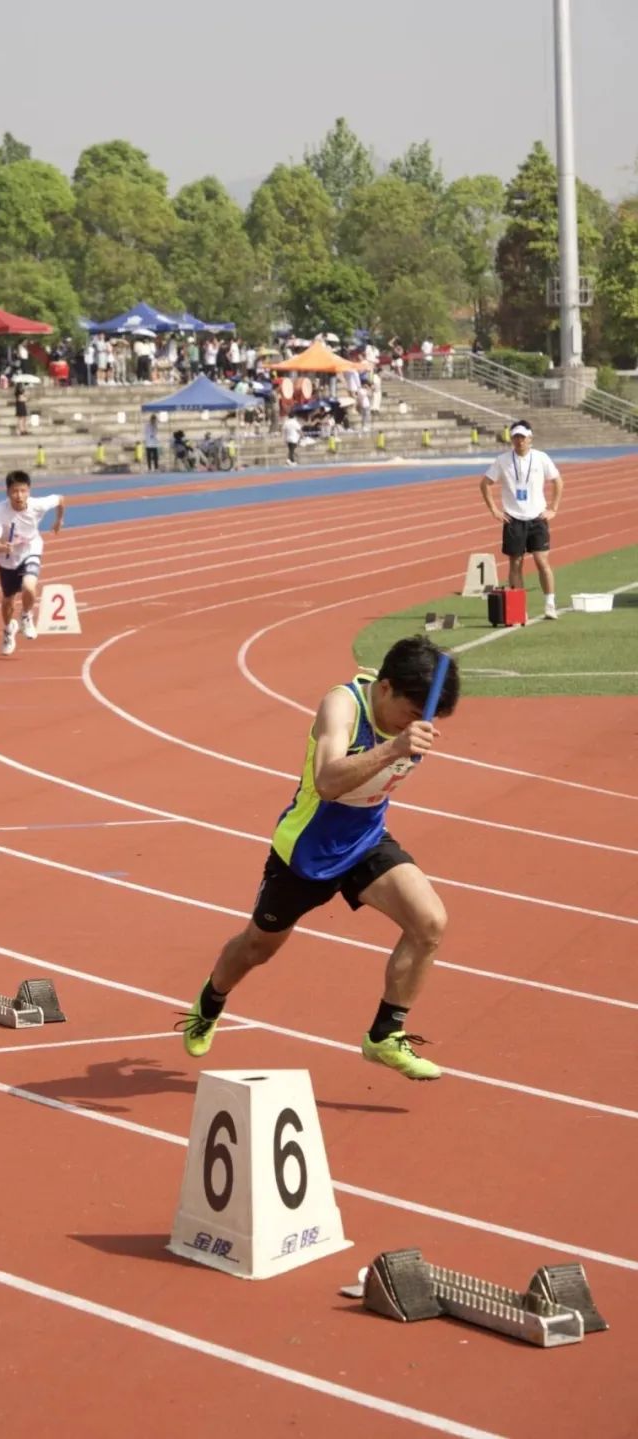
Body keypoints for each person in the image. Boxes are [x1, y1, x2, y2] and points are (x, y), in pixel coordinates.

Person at [177, 636, 461, 1082]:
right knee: (256, 948)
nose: (417, 724)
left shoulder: (410, 721)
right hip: (306, 853)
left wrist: (401, 740)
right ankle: (210, 1002)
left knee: (430, 924)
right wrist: (395, 747)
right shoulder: (342, 705)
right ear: (385, 688)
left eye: (426, 718)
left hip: (366, 840)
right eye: (411, 712)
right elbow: (328, 781)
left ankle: (385, 1035)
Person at [479, 420, 562, 620]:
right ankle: (518, 608)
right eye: (515, 437)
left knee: (542, 561)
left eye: (522, 437)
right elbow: (485, 484)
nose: (519, 441)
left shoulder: (541, 458)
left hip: (537, 517)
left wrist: (553, 508)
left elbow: (558, 481)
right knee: (515, 563)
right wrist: (494, 510)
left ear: (530, 438)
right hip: (513, 519)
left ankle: (550, 603)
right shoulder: (503, 460)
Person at [0, 470, 65, 655]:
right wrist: (3, 547)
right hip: (7, 558)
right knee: (8, 600)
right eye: (14, 491)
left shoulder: (37, 505)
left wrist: (59, 520)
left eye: (23, 491)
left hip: (31, 549)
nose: (19, 496)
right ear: (8, 492)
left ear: (28, 491)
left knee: (29, 587)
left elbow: (61, 499)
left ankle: (26, 616)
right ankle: (8, 630)